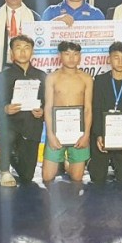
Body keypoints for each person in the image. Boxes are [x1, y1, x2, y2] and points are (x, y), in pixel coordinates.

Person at [0, 35, 46, 187]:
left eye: (27, 48)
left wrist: (41, 111)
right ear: (11, 53)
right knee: (8, 135)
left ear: (32, 52)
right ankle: (4, 169)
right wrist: (5, 108)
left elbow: (47, 102)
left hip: (31, 127)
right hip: (10, 125)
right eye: (18, 48)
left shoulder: (41, 76)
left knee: (27, 176)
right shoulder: (2, 77)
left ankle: (8, 155)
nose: (23, 52)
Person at [90, 42, 122, 185]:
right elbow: (96, 109)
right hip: (103, 136)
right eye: (116, 57)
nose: (120, 61)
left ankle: (118, 162)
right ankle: (92, 162)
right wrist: (99, 135)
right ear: (109, 59)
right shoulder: (100, 81)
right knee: (97, 177)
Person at [42, 41, 94, 184]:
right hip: (57, 131)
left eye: (76, 54)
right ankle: (61, 163)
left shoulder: (86, 78)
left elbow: (88, 108)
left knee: (77, 177)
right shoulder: (52, 78)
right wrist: (50, 135)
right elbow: (48, 107)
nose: (72, 58)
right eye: (67, 54)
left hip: (78, 131)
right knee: (47, 177)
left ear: (80, 56)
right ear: (60, 56)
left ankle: (65, 165)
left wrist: (86, 135)